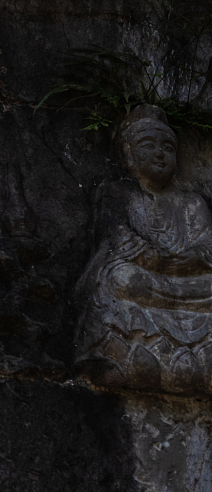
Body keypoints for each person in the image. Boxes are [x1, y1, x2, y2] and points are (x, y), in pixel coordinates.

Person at [75, 104, 212, 395]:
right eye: (149, 146)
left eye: (168, 148)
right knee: (120, 278)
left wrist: (193, 258)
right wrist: (152, 259)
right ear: (128, 155)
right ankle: (135, 351)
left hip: (186, 278)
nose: (160, 154)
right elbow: (117, 238)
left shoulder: (192, 203)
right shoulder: (118, 193)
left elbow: (206, 242)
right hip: (143, 273)